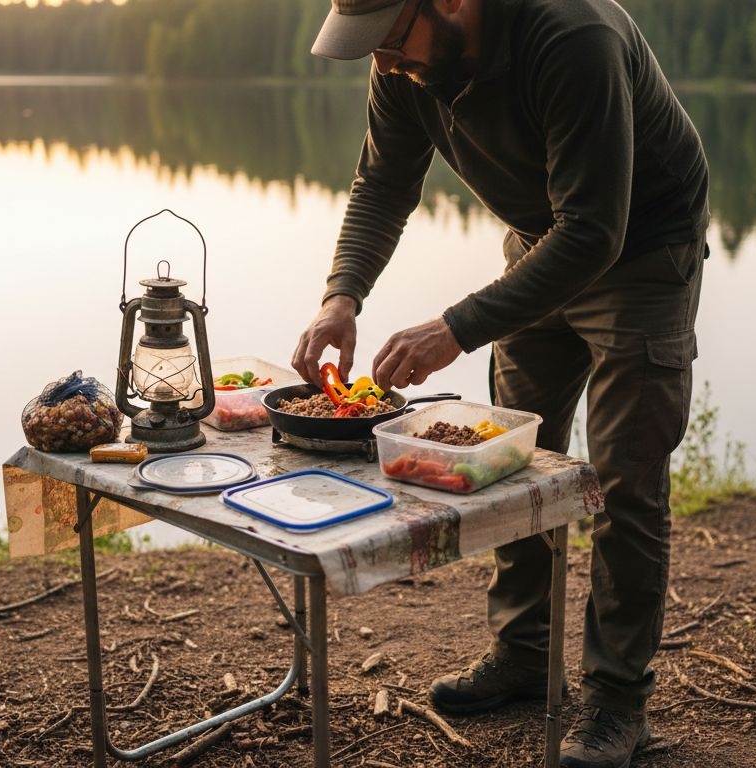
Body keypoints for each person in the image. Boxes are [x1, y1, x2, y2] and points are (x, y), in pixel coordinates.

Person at [293, 0, 708, 765]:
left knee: (626, 482)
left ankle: (618, 701)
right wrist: (341, 297)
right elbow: (383, 182)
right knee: (510, 458)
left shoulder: (570, 36)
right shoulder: (410, 61)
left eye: (388, 40)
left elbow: (595, 230)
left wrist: (454, 327)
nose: (383, 64)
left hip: (642, 249)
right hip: (544, 247)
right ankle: (525, 656)